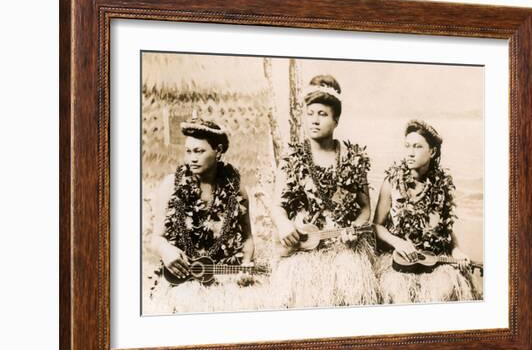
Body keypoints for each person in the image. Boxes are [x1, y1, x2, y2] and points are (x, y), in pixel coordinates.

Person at [270, 75, 379, 308]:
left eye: (322, 114)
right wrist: (285, 225)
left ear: (336, 119)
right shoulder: (291, 157)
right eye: (310, 114)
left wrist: (354, 230)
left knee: (350, 290)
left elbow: (365, 208)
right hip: (304, 243)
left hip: (342, 243)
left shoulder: (352, 158)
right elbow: (277, 206)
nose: (314, 121)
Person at [147, 116, 257, 313]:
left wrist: (246, 264)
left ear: (219, 151)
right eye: (188, 152)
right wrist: (166, 251)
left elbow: (247, 237)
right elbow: (155, 239)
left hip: (224, 279)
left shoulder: (236, 190)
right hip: (183, 281)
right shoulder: (171, 186)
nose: (192, 158)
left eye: (199, 151)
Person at [373, 119, 479, 303]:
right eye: (407, 146)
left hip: (432, 258)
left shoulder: (442, 187)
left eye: (417, 146)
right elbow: (377, 226)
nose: (410, 153)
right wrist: (398, 243)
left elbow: (445, 230)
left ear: (432, 151)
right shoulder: (392, 183)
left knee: (443, 291)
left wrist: (456, 251)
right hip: (399, 259)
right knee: (399, 293)